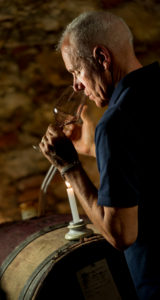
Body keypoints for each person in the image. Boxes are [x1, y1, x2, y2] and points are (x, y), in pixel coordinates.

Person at [39, 11, 160, 300]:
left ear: (102, 57)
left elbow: (121, 235)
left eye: (75, 71)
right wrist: (94, 149)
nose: (76, 86)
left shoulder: (115, 123)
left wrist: (69, 166)